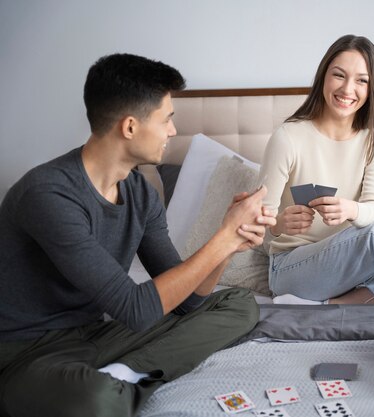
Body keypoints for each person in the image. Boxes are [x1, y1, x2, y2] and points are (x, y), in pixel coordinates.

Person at [0, 53, 276, 417]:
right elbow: (135, 309)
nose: (173, 131)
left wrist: (233, 239)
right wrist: (221, 238)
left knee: (239, 304)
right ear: (130, 127)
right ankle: (112, 384)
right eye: (167, 120)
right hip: (26, 354)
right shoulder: (48, 194)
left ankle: (128, 372)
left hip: (94, 336)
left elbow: (188, 302)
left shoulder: (140, 193)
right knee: (96, 401)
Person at [260, 34, 374, 305]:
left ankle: (345, 303)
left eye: (361, 80)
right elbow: (256, 225)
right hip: (290, 267)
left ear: (371, 87)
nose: (348, 89)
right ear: (323, 77)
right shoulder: (288, 137)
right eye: (339, 75)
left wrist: (350, 210)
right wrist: (278, 225)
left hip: (352, 265)